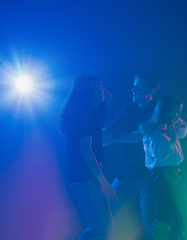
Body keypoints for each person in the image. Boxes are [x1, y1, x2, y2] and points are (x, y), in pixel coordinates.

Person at [100, 71, 161, 238]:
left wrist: (114, 139)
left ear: (151, 91)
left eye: (138, 87)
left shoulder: (158, 110)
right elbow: (111, 129)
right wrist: (94, 137)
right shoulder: (128, 110)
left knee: (151, 227)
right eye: (133, 86)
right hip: (124, 175)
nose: (133, 90)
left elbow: (140, 136)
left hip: (146, 177)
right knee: (102, 218)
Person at [59, 74, 117, 240]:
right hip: (85, 180)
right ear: (91, 90)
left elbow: (111, 102)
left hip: (82, 179)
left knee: (99, 229)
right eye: (100, 87)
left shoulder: (85, 110)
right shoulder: (86, 114)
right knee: (105, 232)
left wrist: (95, 85)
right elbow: (86, 151)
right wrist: (104, 183)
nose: (103, 90)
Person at [139, 94, 187, 240]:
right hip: (161, 177)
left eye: (179, 112)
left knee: (180, 220)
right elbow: (160, 155)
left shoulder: (170, 125)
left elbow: (184, 133)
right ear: (166, 111)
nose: (178, 115)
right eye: (176, 112)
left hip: (175, 174)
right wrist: (172, 139)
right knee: (163, 220)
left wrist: (176, 119)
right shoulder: (154, 130)